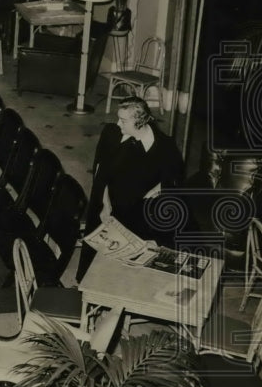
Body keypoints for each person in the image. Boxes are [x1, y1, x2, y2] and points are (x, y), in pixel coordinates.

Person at [77, 96, 184, 281]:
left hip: (139, 208)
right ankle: (87, 282)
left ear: (140, 121)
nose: (118, 123)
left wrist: (156, 190)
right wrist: (105, 204)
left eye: (123, 120)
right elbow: (100, 175)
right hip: (109, 201)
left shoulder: (165, 145)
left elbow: (173, 178)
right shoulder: (111, 135)